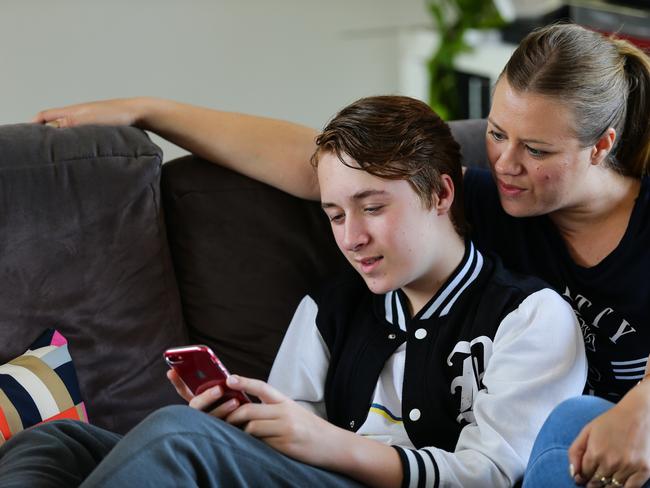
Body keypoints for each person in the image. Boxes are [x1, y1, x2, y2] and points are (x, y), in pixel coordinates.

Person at [29, 22, 650, 488]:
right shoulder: (490, 201)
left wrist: (641, 406)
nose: (506, 163)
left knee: (577, 422)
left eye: (536, 150)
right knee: (52, 447)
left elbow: (488, 467)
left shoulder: (527, 308)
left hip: (599, 445)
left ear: (602, 146)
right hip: (357, 460)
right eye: (494, 133)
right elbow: (330, 165)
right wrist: (148, 111)